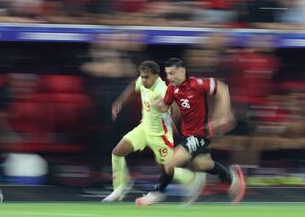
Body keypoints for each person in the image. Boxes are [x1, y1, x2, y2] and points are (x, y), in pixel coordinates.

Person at [135, 58, 246, 206]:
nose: (169, 77)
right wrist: (156, 108)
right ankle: (233, 179)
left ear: (182, 71)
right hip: (186, 134)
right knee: (203, 164)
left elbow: (222, 88)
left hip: (200, 134)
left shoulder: (196, 84)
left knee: (170, 162)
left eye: (172, 73)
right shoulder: (172, 89)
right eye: (167, 74)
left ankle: (156, 193)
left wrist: (223, 115)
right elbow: (165, 107)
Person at [102, 60, 205, 203]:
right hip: (144, 129)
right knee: (117, 152)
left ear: (156, 76)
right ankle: (119, 189)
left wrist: (170, 119)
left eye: (147, 77)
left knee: (168, 169)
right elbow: (134, 86)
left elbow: (175, 108)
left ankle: (192, 178)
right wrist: (119, 102)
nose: (143, 80)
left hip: (160, 136)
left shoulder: (162, 90)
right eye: (142, 76)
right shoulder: (142, 81)